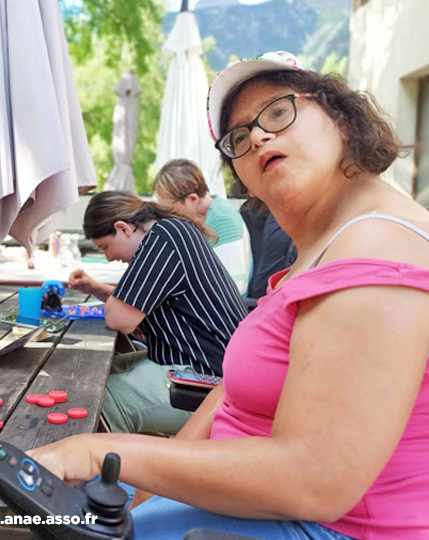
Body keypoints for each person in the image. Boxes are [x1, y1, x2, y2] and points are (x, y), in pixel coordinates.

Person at [28, 51, 429, 540]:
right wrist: (147, 497)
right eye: (238, 137)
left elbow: (316, 481)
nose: (258, 136)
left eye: (279, 112)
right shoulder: (322, 249)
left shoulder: (376, 245)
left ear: (341, 119)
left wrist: (99, 452)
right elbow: (229, 396)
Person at [66, 192, 246, 434]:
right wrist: (96, 289)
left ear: (124, 229)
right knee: (89, 371)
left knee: (94, 397)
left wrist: (111, 299)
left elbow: (120, 318)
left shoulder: (165, 237)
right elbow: (133, 303)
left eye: (105, 247)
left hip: (206, 381)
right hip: (199, 369)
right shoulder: (172, 233)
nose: (109, 258)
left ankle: (108, 467)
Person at [153, 159, 252, 294]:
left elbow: (233, 287)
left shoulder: (223, 220)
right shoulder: (203, 217)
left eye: (170, 209)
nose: (168, 215)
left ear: (192, 199)